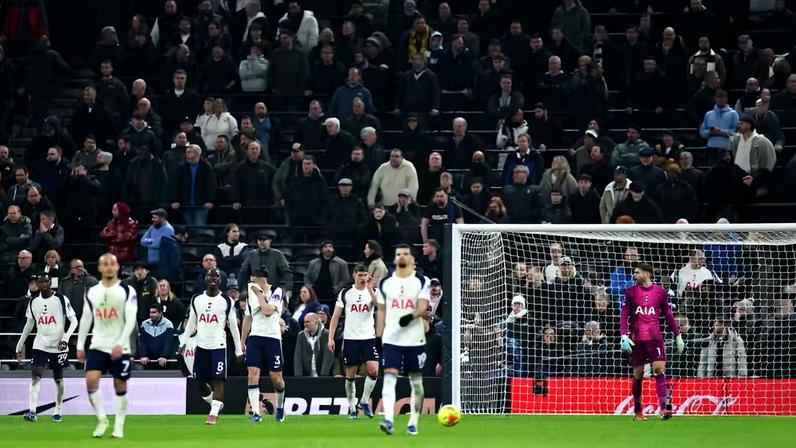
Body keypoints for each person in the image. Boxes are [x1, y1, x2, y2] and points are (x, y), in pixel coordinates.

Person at [77, 254, 138, 438]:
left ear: (117, 267)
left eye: (112, 263)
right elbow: (86, 318)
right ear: (99, 268)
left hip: (121, 346)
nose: (109, 267)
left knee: (120, 385)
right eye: (105, 264)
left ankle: (119, 426)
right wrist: (80, 345)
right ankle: (102, 419)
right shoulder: (92, 292)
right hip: (98, 344)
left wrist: (120, 343)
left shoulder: (127, 290)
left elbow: (131, 320)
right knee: (91, 380)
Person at [376, 244, 430, 436]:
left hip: (415, 339)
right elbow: (381, 310)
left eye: (406, 254)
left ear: (412, 259)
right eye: (398, 254)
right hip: (392, 338)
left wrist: (411, 316)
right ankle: (388, 420)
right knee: (389, 376)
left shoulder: (421, 280)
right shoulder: (385, 282)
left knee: (416, 383)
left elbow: (423, 305)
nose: (402, 256)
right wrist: (379, 336)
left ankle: (413, 422)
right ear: (394, 258)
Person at [619, 263, 684, 421]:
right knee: (638, 374)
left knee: (659, 370)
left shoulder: (660, 292)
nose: (634, 275)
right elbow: (625, 313)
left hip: (655, 339)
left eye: (637, 272)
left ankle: (663, 408)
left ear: (647, 274)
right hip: (637, 339)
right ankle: (638, 411)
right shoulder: (631, 292)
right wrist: (623, 335)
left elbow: (668, 314)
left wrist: (678, 335)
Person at [181, 269, 243, 425]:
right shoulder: (197, 299)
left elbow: (233, 327)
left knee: (218, 380)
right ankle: (215, 404)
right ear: (205, 279)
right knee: (199, 383)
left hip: (218, 346)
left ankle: (213, 414)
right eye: (210, 276)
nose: (213, 278)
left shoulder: (227, 300)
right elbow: (192, 322)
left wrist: (238, 350)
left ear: (220, 280)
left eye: (216, 276)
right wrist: (183, 342)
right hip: (201, 345)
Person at [15, 273, 77, 422]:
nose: (44, 284)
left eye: (46, 282)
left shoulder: (61, 299)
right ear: (37, 284)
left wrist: (66, 338)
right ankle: (32, 412)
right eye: (41, 282)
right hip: (40, 344)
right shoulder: (33, 301)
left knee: (58, 378)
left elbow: (74, 321)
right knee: (35, 376)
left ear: (50, 283)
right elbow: (29, 325)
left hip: (59, 345)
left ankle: (58, 410)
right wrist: (19, 346)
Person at [328, 265, 379, 418]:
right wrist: (330, 338)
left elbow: (379, 306)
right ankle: (352, 408)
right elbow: (335, 317)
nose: (362, 278)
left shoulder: (374, 291)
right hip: (351, 339)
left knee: (374, 370)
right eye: (360, 275)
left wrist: (370, 289)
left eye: (365, 275)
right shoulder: (346, 293)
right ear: (354, 275)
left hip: (368, 337)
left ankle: (363, 401)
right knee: (350, 375)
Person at [240, 267, 287, 423]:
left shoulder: (277, 292)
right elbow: (248, 317)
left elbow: (267, 311)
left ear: (261, 279)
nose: (251, 283)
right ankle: (256, 413)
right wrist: (242, 341)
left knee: (276, 378)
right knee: (253, 373)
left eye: (253, 280)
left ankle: (280, 407)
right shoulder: (251, 294)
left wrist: (259, 294)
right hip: (255, 337)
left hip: (272, 338)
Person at [293, 312, 334, 377]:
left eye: (307, 322)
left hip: (322, 375)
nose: (305, 324)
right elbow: (298, 357)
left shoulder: (327, 334)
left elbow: (328, 357)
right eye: (304, 322)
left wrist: (323, 377)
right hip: (306, 376)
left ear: (316, 322)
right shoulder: (301, 335)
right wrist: (298, 377)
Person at [137, 303, 174, 369]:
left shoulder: (168, 324)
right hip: (147, 361)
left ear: (160, 313)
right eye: (150, 312)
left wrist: (164, 356)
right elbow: (143, 342)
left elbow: (168, 343)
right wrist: (143, 355)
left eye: (154, 312)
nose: (151, 315)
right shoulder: (144, 324)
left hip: (163, 362)